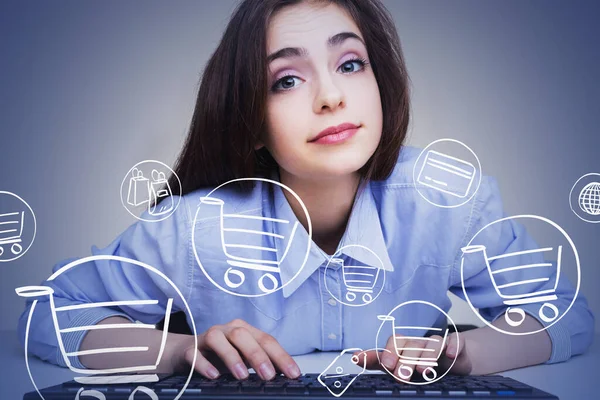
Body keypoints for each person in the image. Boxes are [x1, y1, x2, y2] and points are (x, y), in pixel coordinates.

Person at [18, 0, 593, 383]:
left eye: (350, 63)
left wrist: (460, 352)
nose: (330, 97)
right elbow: (44, 314)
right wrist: (178, 352)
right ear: (248, 112)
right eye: (287, 79)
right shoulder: (194, 230)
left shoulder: (445, 198)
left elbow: (566, 315)